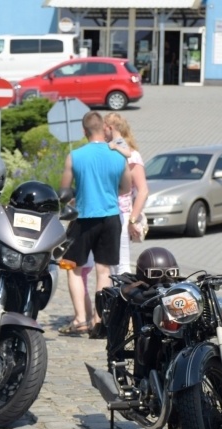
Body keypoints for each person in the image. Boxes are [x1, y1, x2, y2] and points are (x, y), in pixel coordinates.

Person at [58, 110, 131, 336]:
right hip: (110, 217)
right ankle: (99, 321)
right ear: (103, 129)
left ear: (84, 131)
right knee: (104, 270)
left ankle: (80, 319)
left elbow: (64, 191)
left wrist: (76, 194)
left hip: (83, 218)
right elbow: (126, 188)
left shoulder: (75, 156)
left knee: (73, 268)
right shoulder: (118, 156)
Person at [104, 112, 149, 276]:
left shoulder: (132, 156)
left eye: (104, 128)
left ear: (111, 128)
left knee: (121, 265)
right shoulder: (108, 151)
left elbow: (143, 190)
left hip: (122, 214)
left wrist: (132, 220)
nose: (102, 132)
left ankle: (123, 292)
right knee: (108, 266)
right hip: (105, 212)